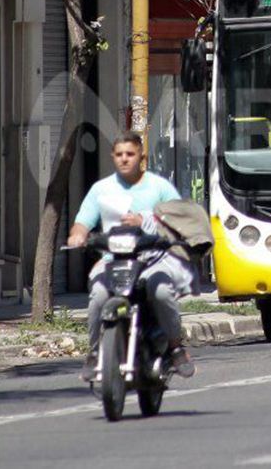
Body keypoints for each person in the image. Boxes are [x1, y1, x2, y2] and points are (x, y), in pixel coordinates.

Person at [66, 131, 194, 381]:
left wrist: (147, 221)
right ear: (113, 157)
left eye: (130, 154)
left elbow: (179, 218)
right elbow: (82, 222)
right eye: (119, 155)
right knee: (99, 296)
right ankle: (93, 354)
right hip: (112, 261)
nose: (125, 159)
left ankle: (176, 347)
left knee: (160, 291)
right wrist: (78, 236)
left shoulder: (159, 187)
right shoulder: (101, 189)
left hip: (151, 260)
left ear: (141, 157)